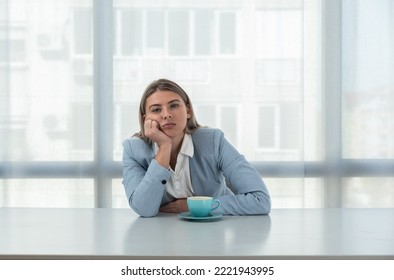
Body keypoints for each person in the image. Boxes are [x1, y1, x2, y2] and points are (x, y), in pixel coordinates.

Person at [122, 79, 271, 217]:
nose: (166, 115)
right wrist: (164, 147)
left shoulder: (213, 141)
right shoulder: (133, 150)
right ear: (145, 119)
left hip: (211, 232)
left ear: (188, 111)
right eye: (156, 110)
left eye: (174, 106)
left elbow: (260, 200)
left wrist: (196, 206)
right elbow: (143, 209)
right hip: (160, 236)